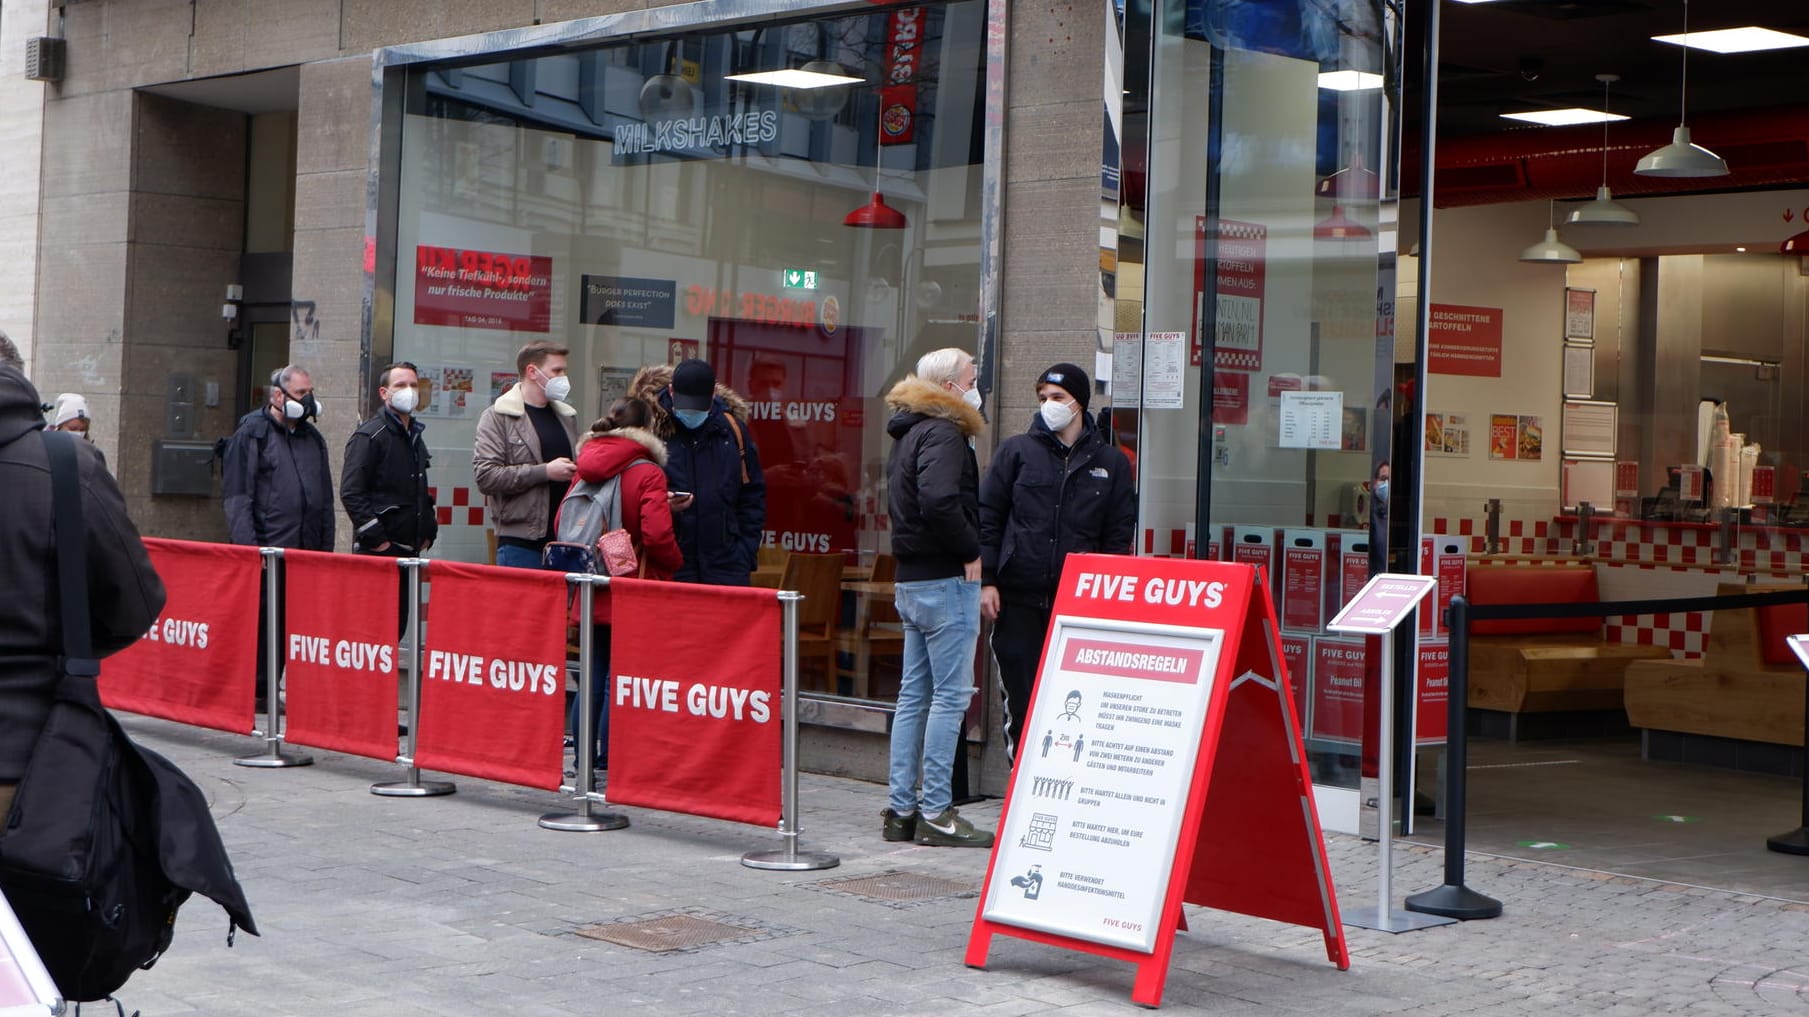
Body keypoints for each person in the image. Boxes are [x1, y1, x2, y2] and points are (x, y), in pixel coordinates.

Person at [0, 345, 166, 820]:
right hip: (30, 750)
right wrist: (68, 645)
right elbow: (134, 603)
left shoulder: (66, 462)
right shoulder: (66, 465)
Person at [979, 362, 1136, 764]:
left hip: (1079, 603)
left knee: (1075, 702)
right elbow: (989, 518)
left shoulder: (1111, 463)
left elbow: (1118, 536)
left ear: (1079, 403)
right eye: (1044, 398)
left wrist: (1109, 593)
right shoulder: (1016, 452)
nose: (1049, 405)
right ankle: (1020, 786)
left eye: (1058, 398)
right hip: (1019, 600)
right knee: (1023, 698)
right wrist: (988, 580)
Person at [879, 347, 993, 848]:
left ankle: (901, 811)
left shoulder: (908, 432)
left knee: (912, 697)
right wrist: (971, 548)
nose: (976, 385)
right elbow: (940, 499)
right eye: (971, 378)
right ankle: (937, 813)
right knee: (950, 698)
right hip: (946, 579)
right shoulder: (946, 432)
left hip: (912, 577)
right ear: (950, 388)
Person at [564, 397, 683, 773]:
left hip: (589, 582)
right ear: (647, 428)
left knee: (592, 674)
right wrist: (675, 563)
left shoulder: (585, 467)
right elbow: (657, 534)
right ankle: (609, 762)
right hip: (629, 587)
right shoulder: (648, 472)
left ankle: (583, 759)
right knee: (620, 677)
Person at [222, 365, 337, 708]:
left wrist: (323, 551)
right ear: (277, 396)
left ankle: (272, 689)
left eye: (309, 392)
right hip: (267, 551)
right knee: (261, 623)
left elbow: (324, 499)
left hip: (303, 552)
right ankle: (256, 691)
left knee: (290, 623)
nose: (308, 400)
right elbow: (238, 497)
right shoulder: (252, 434)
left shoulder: (312, 438)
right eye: (301, 394)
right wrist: (250, 551)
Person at [630, 359, 765, 585]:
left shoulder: (731, 431)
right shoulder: (651, 431)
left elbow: (752, 494)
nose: (690, 413)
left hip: (726, 564)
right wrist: (661, 504)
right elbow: (629, 492)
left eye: (698, 407)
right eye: (685, 406)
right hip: (671, 561)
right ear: (671, 391)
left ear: (713, 394)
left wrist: (745, 552)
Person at [473, 341, 580, 568]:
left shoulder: (566, 417)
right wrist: (545, 472)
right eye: (557, 371)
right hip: (521, 542)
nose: (563, 378)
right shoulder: (498, 417)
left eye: (565, 371)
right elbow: (486, 477)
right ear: (532, 371)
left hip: (565, 538)